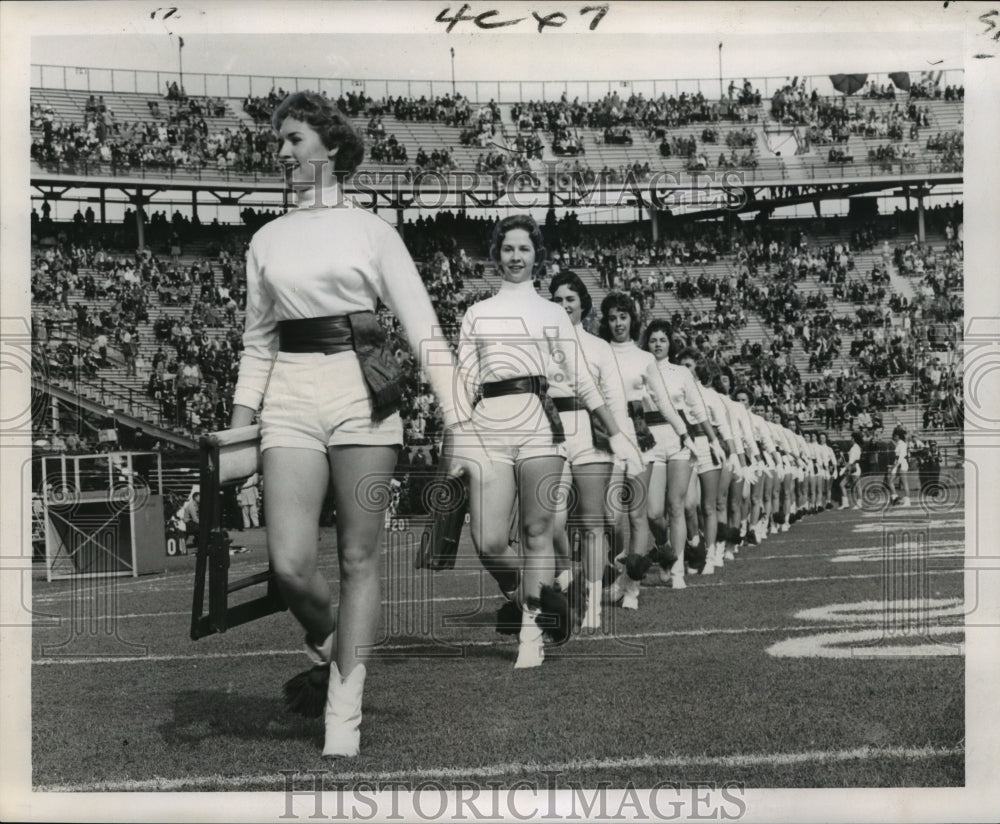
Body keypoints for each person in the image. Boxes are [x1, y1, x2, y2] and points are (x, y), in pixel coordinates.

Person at [229, 91, 464, 759]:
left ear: (330, 147)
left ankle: (344, 705)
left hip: (365, 396)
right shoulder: (265, 239)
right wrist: (239, 431)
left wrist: (458, 417)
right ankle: (341, 650)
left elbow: (420, 327)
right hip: (290, 401)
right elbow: (257, 344)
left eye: (294, 140)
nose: (282, 153)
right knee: (290, 564)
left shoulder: (372, 231)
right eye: (279, 142)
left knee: (359, 559)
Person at [453, 215, 641, 668]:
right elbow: (462, 381)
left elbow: (581, 380)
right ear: (496, 254)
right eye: (508, 248)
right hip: (489, 424)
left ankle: (531, 633)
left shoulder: (552, 311)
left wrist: (615, 434)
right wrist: (458, 443)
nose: (515, 257)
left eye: (524, 249)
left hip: (539, 422)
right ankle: (540, 601)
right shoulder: (476, 312)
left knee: (538, 532)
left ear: (536, 256)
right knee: (489, 540)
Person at [548, 271, 632, 630]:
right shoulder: (540, 343)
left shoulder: (599, 347)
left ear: (583, 303)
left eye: (570, 299)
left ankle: (594, 604)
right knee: (549, 520)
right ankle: (567, 574)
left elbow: (614, 401)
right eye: (557, 299)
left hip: (590, 435)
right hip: (550, 432)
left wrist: (622, 445)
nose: (564, 305)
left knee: (593, 524)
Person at [600, 296, 687, 608]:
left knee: (637, 516)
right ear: (606, 321)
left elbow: (662, 401)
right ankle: (615, 575)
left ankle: (632, 586)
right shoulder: (598, 352)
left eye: (623, 317)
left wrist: (682, 430)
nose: (618, 323)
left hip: (639, 441)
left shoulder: (643, 358)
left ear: (632, 320)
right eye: (612, 318)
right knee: (608, 518)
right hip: (606, 438)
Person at [889, 428, 912, 506]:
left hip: (902, 463)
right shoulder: (899, 443)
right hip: (898, 463)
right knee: (890, 481)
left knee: (904, 482)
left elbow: (901, 456)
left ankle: (907, 500)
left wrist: (896, 466)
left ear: (898, 436)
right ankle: (895, 497)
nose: (893, 437)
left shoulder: (902, 444)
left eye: (895, 436)